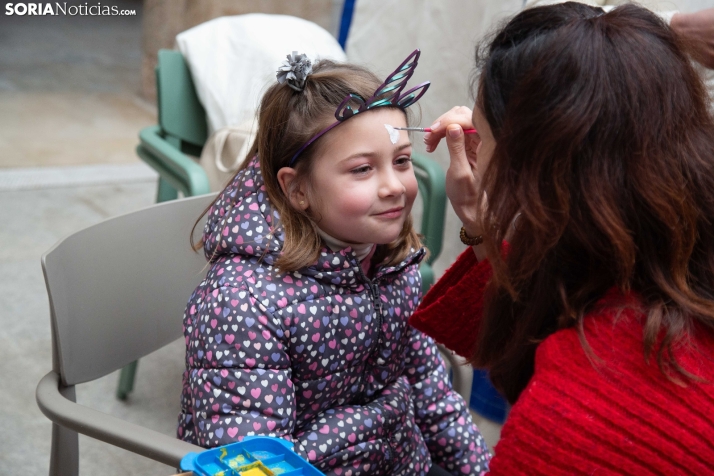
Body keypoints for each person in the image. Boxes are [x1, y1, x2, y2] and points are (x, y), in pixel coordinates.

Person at [410, 3, 714, 474]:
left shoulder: (579, 424)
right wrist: (483, 231)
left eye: (485, 138)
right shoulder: (670, 258)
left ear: (528, 173)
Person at [177, 50, 490, 476]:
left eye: (401, 161)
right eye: (362, 169)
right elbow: (254, 465)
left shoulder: (388, 263)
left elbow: (430, 392)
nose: (394, 186)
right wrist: (372, 422)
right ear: (298, 188)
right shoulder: (243, 304)